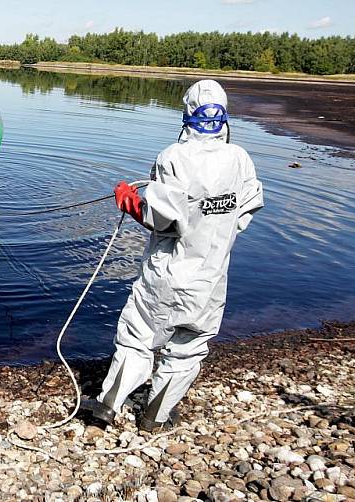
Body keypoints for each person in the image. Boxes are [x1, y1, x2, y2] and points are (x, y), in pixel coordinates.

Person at [81, 80, 264, 432]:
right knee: (189, 348)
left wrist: (128, 200)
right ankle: (155, 416)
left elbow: (162, 221)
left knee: (138, 338)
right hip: (211, 277)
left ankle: (107, 405)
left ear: (187, 114)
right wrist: (212, 224)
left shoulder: (174, 157)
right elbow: (245, 213)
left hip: (168, 272)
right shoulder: (239, 158)